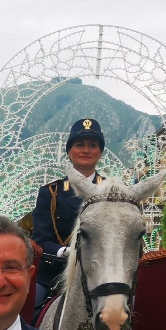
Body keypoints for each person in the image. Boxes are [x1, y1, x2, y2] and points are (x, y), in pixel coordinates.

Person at [29, 119, 106, 295]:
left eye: (93, 145)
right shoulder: (51, 192)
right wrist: (65, 252)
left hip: (102, 274)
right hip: (54, 274)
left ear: (100, 153)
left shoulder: (112, 192)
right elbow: (40, 239)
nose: (86, 150)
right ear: (69, 152)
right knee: (29, 305)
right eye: (79, 145)